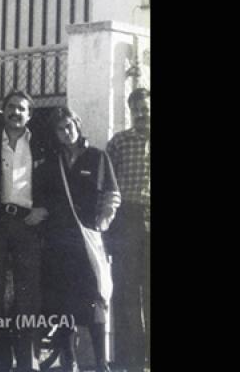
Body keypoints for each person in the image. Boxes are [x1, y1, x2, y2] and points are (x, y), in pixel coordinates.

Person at [42, 107, 121, 372]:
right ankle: (68, 360)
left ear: (78, 124)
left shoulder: (97, 157)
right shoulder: (52, 163)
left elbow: (112, 195)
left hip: (88, 240)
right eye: (60, 129)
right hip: (58, 241)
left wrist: (103, 222)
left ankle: (100, 363)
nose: (66, 132)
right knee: (63, 301)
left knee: (95, 300)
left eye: (69, 126)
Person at [0, 90, 50, 372]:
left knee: (27, 296)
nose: (15, 112)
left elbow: (54, 180)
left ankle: (27, 363)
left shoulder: (42, 143)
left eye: (22, 109)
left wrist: (44, 210)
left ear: (29, 115)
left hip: (28, 224)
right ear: (3, 110)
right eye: (11, 107)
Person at [105, 88, 150, 372]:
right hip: (127, 221)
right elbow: (107, 187)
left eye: (146, 108)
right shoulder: (119, 142)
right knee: (126, 293)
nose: (142, 114)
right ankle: (129, 362)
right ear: (130, 111)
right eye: (137, 110)